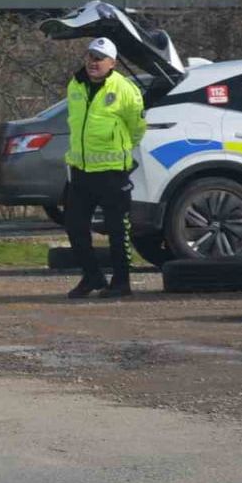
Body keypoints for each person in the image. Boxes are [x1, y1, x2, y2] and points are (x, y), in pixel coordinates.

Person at [64, 37, 146, 299]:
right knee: (74, 226)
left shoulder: (124, 88)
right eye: (90, 56)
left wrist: (121, 148)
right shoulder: (75, 84)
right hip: (80, 171)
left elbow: (137, 127)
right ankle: (92, 276)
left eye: (99, 58)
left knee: (117, 229)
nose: (93, 62)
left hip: (112, 171)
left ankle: (122, 282)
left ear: (112, 63)